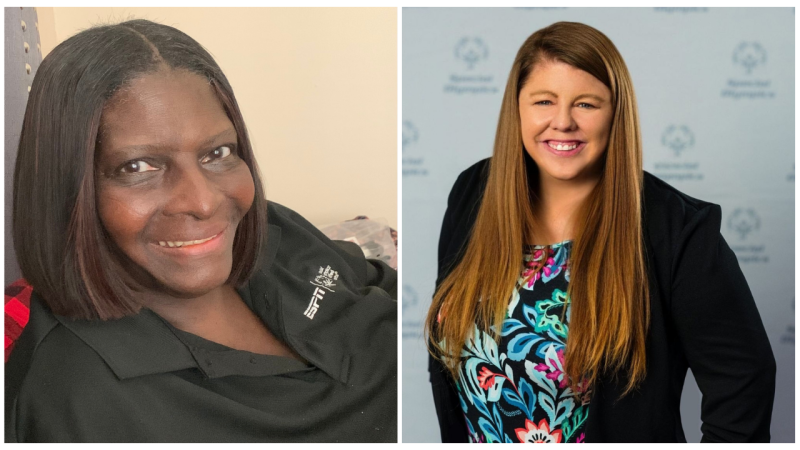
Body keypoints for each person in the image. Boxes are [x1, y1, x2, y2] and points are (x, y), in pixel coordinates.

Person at [5, 19, 397, 443]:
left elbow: (385, 290)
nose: (204, 201)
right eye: (138, 167)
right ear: (65, 191)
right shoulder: (74, 404)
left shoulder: (267, 229)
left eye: (217, 153)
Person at [426, 21, 775, 443]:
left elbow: (744, 380)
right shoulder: (472, 194)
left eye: (586, 105)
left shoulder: (679, 231)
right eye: (543, 101)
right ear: (516, 107)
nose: (562, 122)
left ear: (616, 114)